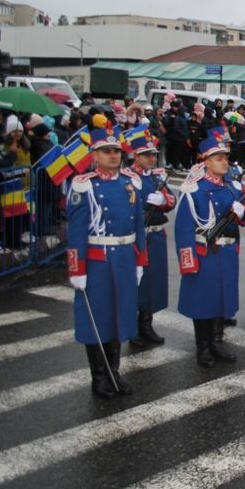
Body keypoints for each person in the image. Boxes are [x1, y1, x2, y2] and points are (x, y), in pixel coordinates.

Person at [66, 120, 148, 399]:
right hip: (98, 260)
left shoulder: (130, 183)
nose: (113, 155)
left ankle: (114, 372)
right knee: (97, 317)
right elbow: (76, 231)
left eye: (116, 150)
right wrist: (77, 269)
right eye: (106, 151)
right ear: (95, 156)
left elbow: (138, 227)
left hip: (125, 257)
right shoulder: (84, 186)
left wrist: (140, 261)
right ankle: (99, 377)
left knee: (120, 315)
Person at [174, 132, 245, 367]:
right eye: (217, 157)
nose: (223, 161)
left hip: (227, 251)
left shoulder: (232, 187)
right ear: (205, 161)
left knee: (222, 298)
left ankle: (218, 343)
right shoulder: (193, 189)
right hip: (204, 252)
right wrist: (188, 261)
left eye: (225, 157)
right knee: (203, 301)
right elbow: (183, 229)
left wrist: (242, 213)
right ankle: (203, 347)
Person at [128, 129, 176, 348]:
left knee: (152, 282)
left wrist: (163, 199)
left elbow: (172, 201)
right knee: (137, 284)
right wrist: (143, 204)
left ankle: (147, 324)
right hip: (138, 238)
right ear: (136, 155)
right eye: (146, 154)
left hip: (156, 235)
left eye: (153, 154)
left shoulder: (157, 177)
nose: (151, 157)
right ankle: (133, 328)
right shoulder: (128, 178)